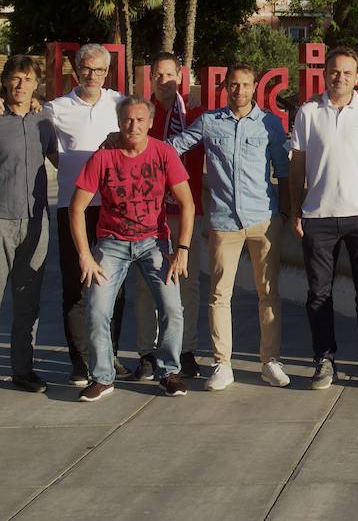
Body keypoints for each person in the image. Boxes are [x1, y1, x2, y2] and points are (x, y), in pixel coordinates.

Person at [167, 62, 292, 390]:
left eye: (246, 84)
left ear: (255, 87)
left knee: (269, 293)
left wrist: (289, 214)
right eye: (234, 85)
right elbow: (175, 147)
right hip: (223, 221)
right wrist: (133, 146)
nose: (239, 90)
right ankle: (222, 364)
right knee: (219, 294)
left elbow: (284, 169)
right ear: (226, 88)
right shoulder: (209, 122)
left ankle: (270, 361)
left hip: (263, 219)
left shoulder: (269, 124)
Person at [68, 96, 196, 402]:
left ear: (150, 122)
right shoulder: (103, 157)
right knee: (98, 309)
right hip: (111, 243)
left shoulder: (163, 153)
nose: (133, 125)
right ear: (119, 121)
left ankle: (169, 371)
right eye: (127, 119)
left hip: (154, 241)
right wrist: (85, 255)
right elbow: (76, 208)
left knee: (172, 308)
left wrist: (182, 248)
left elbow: (187, 203)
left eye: (140, 120)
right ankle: (102, 377)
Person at [289, 47, 358, 391]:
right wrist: (296, 209)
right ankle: (324, 360)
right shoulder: (307, 113)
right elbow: (296, 165)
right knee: (318, 294)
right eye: (335, 71)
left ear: (357, 77)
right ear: (325, 73)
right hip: (318, 218)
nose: (340, 77)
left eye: (347, 73)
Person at [0, 54, 56, 403]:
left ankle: (22, 369)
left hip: (35, 222)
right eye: (15, 79)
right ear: (5, 81)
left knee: (27, 304)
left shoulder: (42, 123)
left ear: (36, 85)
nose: (21, 85)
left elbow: (62, 160)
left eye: (28, 80)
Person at [43, 44, 128, 385]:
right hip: (72, 208)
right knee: (76, 286)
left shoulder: (120, 104)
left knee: (114, 286)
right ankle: (79, 361)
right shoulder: (55, 109)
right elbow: (50, 150)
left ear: (107, 72)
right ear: (76, 70)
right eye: (86, 69)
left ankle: (110, 355)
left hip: (113, 208)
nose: (92, 75)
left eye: (99, 70)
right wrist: (74, 176)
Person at [129, 52, 206, 382]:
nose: (163, 81)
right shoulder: (139, 117)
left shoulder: (196, 116)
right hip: (148, 213)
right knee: (146, 286)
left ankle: (185, 349)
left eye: (168, 75)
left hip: (189, 210)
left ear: (181, 75)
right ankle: (147, 352)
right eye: (157, 76)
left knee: (187, 284)